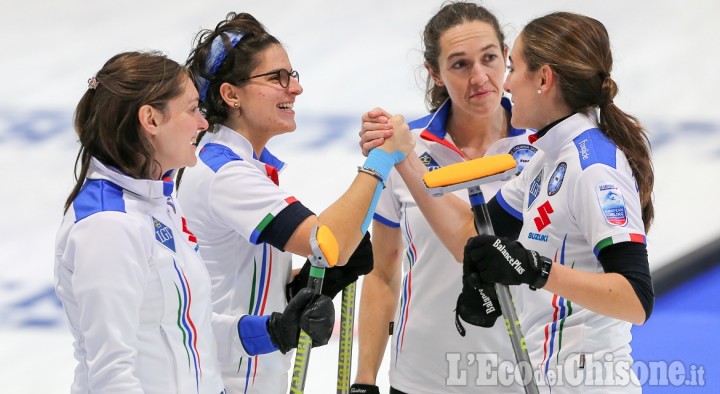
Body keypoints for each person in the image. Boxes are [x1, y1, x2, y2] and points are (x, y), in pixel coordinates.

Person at [375, 11, 655, 393]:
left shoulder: (592, 167)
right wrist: (404, 158)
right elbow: (469, 234)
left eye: (512, 67)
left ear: (544, 79)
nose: (505, 83)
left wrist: (536, 271)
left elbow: (636, 300)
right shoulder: (544, 157)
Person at [54, 51, 335, 393]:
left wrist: (274, 331)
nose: (203, 124)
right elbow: (111, 378)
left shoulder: (157, 201)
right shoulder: (108, 226)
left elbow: (185, 328)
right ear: (151, 120)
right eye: (192, 110)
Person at [176, 12, 414, 393]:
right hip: (226, 379)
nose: (295, 89)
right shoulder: (226, 174)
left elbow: (237, 272)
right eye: (277, 78)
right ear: (230, 94)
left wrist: (308, 280)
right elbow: (327, 240)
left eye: (293, 75)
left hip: (242, 372)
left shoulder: (236, 163)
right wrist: (381, 159)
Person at [350, 2, 535, 393]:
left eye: (489, 58)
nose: (480, 77)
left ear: (507, 57)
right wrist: (365, 380)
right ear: (434, 73)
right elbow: (383, 274)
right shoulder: (404, 148)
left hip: (524, 376)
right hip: (422, 379)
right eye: (460, 65)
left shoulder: (543, 144)